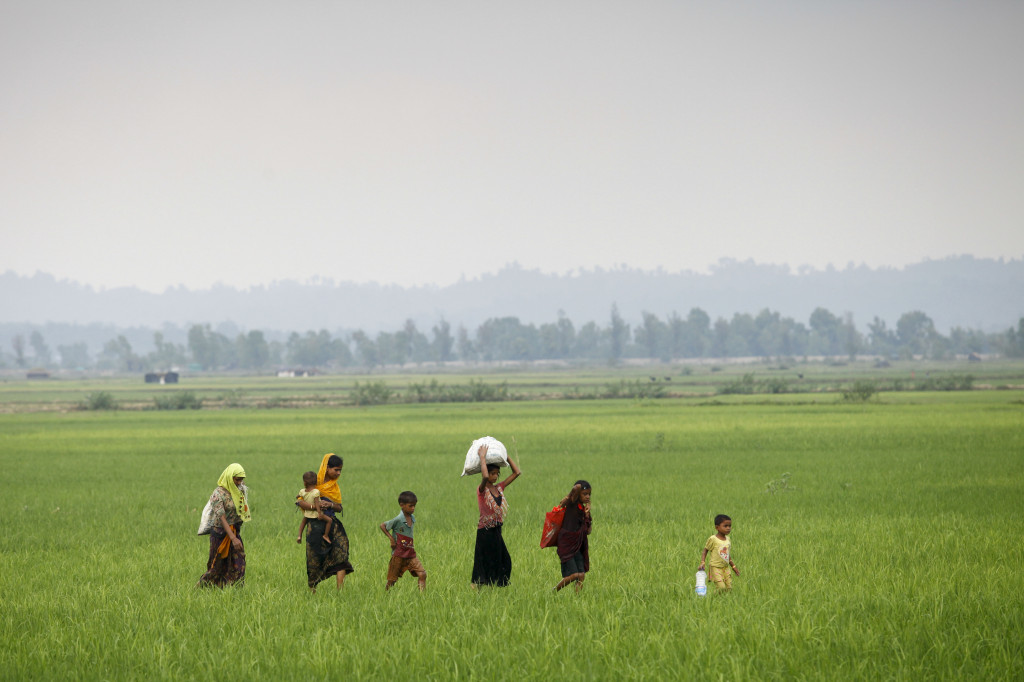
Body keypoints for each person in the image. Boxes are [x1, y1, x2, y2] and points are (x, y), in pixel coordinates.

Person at [295, 453, 354, 592]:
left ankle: (340, 591)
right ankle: (312, 591)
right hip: (315, 525)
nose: (338, 473)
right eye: (336, 469)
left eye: (340, 470)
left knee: (342, 552)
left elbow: (339, 507)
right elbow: (299, 501)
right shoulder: (314, 483)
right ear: (327, 468)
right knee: (314, 558)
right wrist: (315, 507)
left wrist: (329, 505)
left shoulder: (334, 487)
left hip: (332, 524)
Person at [472, 443, 520, 588]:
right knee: (483, 561)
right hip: (485, 530)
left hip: (497, 530)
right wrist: (482, 457)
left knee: (503, 560)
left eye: (496, 474)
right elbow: (485, 476)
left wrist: (505, 455)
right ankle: (478, 589)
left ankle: (493, 588)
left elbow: (517, 473)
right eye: (492, 473)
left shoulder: (499, 488)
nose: (494, 476)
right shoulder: (482, 490)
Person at [197, 463, 250, 588]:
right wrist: (233, 538)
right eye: (237, 479)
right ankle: (200, 588)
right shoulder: (218, 494)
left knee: (239, 563)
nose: (239, 482)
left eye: (241, 480)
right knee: (216, 567)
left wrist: (236, 533)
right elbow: (222, 518)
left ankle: (234, 593)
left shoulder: (239, 490)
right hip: (220, 533)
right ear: (229, 477)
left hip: (234, 531)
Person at [379, 491, 426, 592]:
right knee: (392, 580)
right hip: (398, 555)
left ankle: (423, 598)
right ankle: (385, 596)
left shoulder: (412, 518)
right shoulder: (398, 519)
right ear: (402, 505)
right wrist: (391, 539)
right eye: (410, 506)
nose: (413, 508)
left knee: (422, 574)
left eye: (414, 506)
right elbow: (382, 525)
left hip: (410, 554)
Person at [553, 480, 592, 593]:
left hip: (578, 546)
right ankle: (554, 591)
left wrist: (587, 515)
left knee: (581, 576)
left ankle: (577, 599)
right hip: (566, 544)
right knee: (574, 574)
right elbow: (575, 489)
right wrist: (576, 490)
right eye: (584, 494)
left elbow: (588, 531)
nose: (587, 496)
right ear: (578, 494)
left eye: (589, 494)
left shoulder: (584, 509)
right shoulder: (571, 503)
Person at [699, 514, 739, 591]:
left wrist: (733, 567)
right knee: (721, 587)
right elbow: (705, 550)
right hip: (715, 567)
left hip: (726, 568)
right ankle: (711, 599)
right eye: (725, 526)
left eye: (729, 526)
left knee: (729, 588)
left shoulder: (728, 539)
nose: (728, 528)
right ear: (717, 527)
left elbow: (727, 554)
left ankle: (721, 601)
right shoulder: (713, 539)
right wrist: (702, 562)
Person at [296, 470, 332, 545]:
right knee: (329, 520)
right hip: (315, 513)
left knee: (303, 522)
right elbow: (316, 503)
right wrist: (319, 513)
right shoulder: (316, 492)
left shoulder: (302, 491)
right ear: (316, 482)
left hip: (307, 513)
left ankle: (299, 535)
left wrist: (298, 497)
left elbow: (298, 496)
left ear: (305, 482)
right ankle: (325, 535)